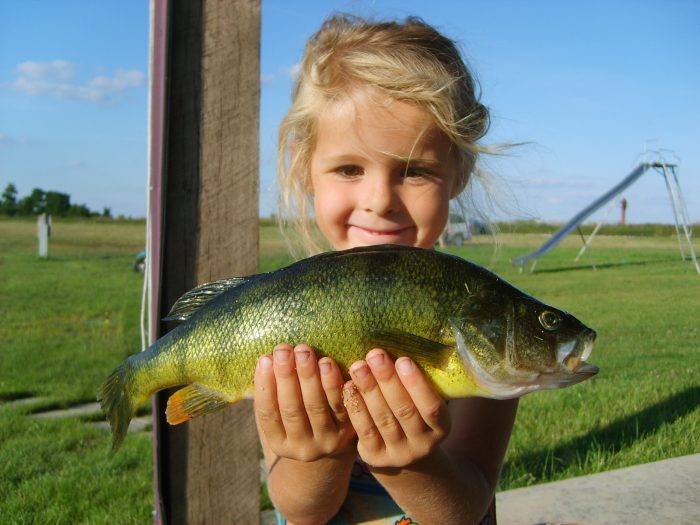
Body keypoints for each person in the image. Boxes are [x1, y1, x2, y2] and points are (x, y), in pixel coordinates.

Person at [254, 14, 517, 525]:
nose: (379, 201)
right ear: (305, 168)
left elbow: (465, 508)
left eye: (414, 170)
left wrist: (414, 463)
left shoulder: (481, 321)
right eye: (349, 169)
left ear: (458, 173)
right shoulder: (279, 321)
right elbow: (297, 508)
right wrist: (320, 454)